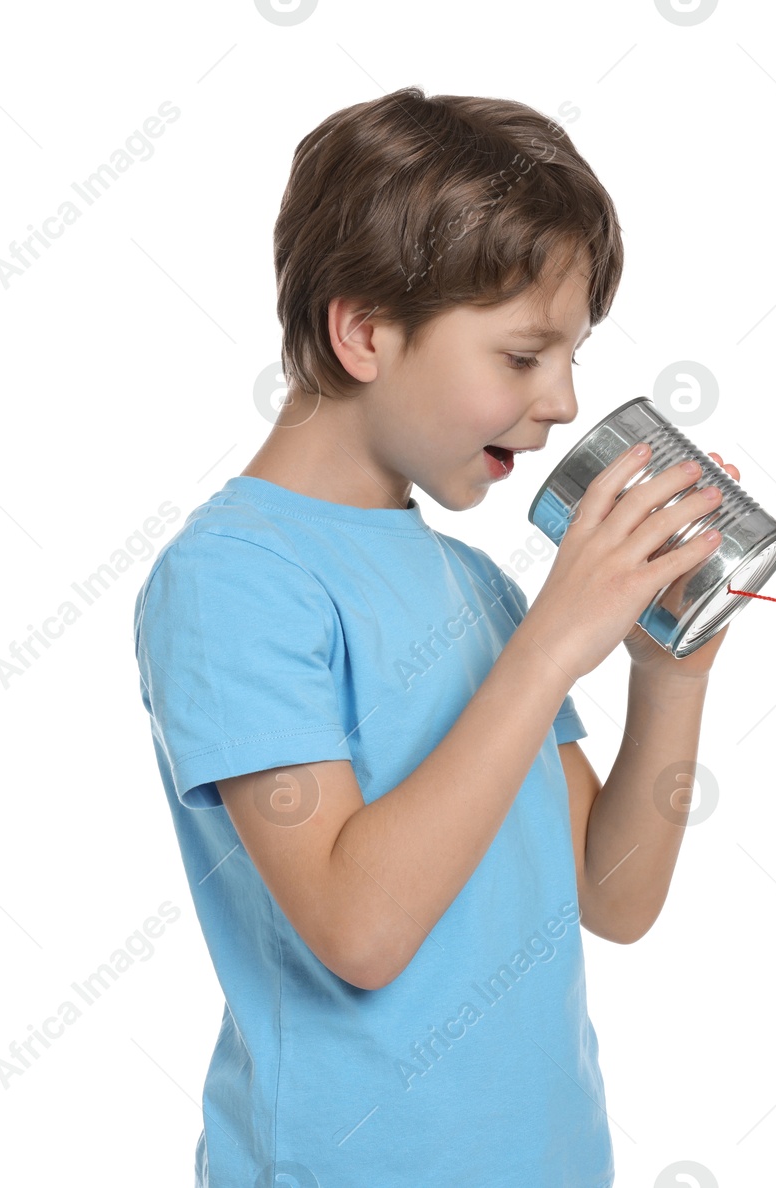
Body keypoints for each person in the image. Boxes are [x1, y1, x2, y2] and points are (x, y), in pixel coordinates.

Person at [132, 85, 742, 1188]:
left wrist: (668, 670)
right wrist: (554, 642)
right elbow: (357, 932)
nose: (561, 402)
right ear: (364, 331)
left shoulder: (476, 588)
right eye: (521, 357)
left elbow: (612, 897)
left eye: (572, 356)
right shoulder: (234, 579)